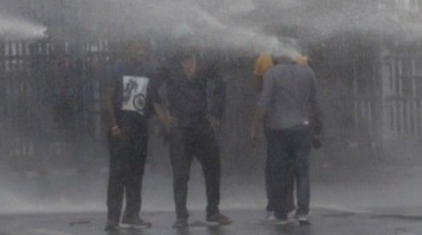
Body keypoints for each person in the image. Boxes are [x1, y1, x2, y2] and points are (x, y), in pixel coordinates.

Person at [156, 44, 232, 228]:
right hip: (180, 126)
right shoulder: (169, 67)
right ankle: (181, 215)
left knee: (213, 166)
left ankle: (213, 211)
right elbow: (151, 89)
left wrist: (215, 113)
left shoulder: (204, 65)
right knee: (181, 172)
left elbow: (221, 83)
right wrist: (162, 114)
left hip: (200, 124)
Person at [250, 50, 323, 225]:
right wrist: (318, 128)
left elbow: (264, 101)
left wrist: (255, 126)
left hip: (277, 129)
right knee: (302, 171)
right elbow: (315, 102)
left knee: (280, 171)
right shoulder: (308, 72)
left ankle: (281, 214)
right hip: (301, 128)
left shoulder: (272, 74)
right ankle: (303, 211)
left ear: (276, 59)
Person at [102, 41, 159, 232]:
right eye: (137, 47)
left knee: (136, 173)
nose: (140, 51)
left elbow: (150, 99)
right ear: (128, 48)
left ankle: (132, 214)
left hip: (139, 129)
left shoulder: (145, 70)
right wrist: (114, 125)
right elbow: (108, 97)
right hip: (121, 129)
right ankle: (113, 217)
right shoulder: (117, 68)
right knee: (118, 174)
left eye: (142, 48)